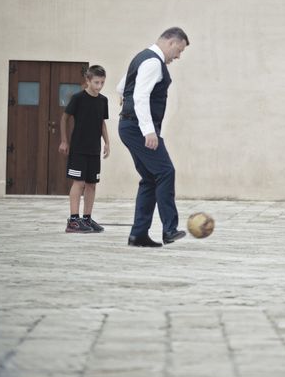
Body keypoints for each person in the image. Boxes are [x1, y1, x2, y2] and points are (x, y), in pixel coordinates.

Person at [117, 27, 189, 247]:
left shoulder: (142, 57)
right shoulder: (153, 62)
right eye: (179, 50)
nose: (178, 56)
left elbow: (121, 87)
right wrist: (148, 130)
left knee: (150, 179)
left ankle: (138, 235)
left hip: (130, 126)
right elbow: (139, 95)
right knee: (165, 171)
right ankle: (169, 229)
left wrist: (126, 104)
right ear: (170, 42)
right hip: (139, 128)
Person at [59, 65, 110, 233]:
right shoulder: (78, 98)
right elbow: (64, 118)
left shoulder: (103, 100)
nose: (99, 86)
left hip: (94, 149)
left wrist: (107, 143)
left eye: (102, 82)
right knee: (79, 183)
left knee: (92, 184)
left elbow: (102, 123)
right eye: (96, 82)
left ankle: (86, 220)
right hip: (79, 148)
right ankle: (73, 220)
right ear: (88, 80)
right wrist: (64, 141)